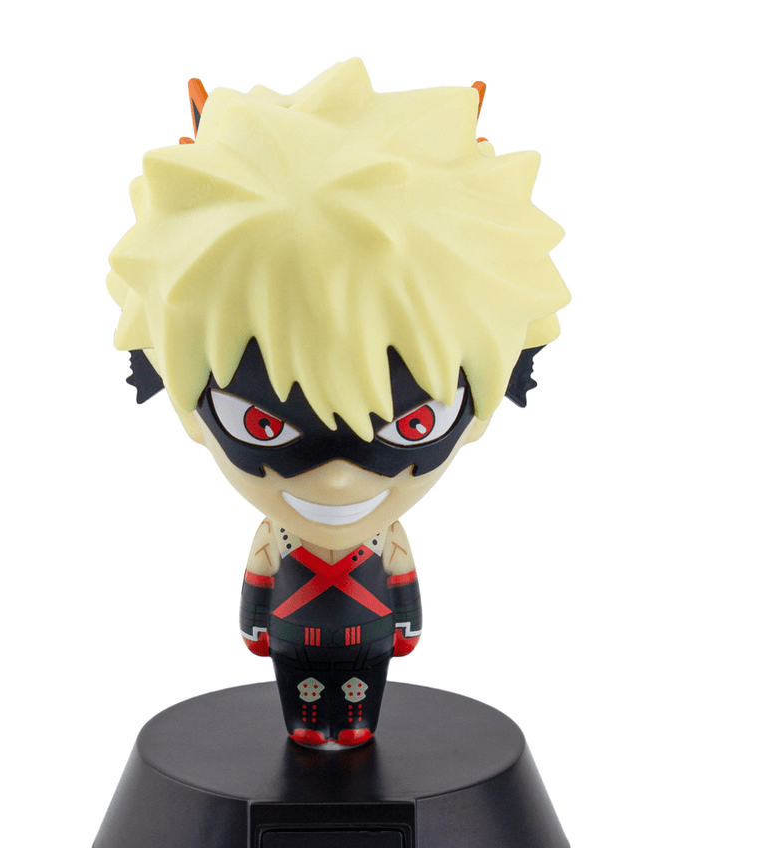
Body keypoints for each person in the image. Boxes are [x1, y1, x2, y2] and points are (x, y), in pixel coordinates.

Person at [107, 59, 570, 747]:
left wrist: (404, 619)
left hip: (363, 639)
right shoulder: (280, 539)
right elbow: (260, 584)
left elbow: (399, 583)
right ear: (161, 373)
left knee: (356, 705)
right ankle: (308, 729)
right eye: (262, 424)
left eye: (413, 423)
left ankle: (352, 730)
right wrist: (256, 622)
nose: (337, 484)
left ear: (505, 377)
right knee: (305, 703)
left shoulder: (375, 539)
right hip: (300, 639)